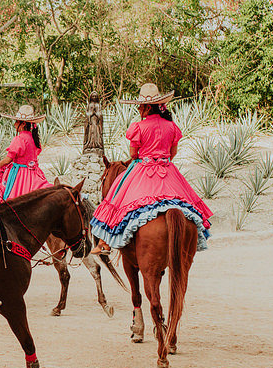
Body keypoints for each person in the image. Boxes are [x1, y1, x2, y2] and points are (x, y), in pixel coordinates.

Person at [89, 83, 215, 254]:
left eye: (140, 106)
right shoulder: (171, 126)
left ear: (148, 107)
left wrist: (146, 157)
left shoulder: (138, 127)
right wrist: (161, 159)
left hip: (143, 168)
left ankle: (104, 242)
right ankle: (198, 233)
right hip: (167, 169)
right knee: (187, 200)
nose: (139, 110)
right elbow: (173, 152)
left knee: (117, 190)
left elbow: (133, 154)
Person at [0, 105, 50, 204]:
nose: (14, 125)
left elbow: (8, 160)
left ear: (23, 123)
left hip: (20, 174)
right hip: (33, 173)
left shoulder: (20, 139)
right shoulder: (34, 138)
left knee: (14, 199)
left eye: (16, 122)